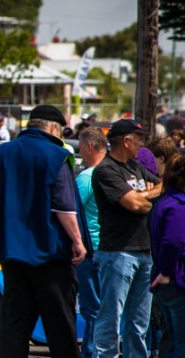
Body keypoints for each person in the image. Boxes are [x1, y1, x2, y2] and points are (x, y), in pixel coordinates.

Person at [0, 105, 88, 358]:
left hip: (10, 252)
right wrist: (78, 241)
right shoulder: (57, 155)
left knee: (15, 321)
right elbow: (64, 206)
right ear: (53, 128)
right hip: (50, 252)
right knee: (60, 323)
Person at [91, 119, 162, 358]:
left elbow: (164, 187)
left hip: (145, 252)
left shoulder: (135, 167)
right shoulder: (106, 170)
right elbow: (133, 204)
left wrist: (144, 197)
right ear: (126, 140)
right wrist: (143, 198)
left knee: (138, 323)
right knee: (110, 317)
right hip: (117, 252)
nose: (142, 144)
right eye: (139, 139)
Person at [75, 127, 108, 358]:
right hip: (109, 249)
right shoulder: (116, 173)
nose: (79, 150)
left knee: (92, 309)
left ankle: (91, 353)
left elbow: (70, 210)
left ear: (89, 146)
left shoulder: (87, 177)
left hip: (89, 250)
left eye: (80, 145)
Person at [148, 156, 185, 357]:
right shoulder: (177, 205)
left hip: (168, 281)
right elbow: (173, 242)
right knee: (179, 343)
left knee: (171, 341)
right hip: (176, 282)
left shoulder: (167, 202)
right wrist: (167, 272)